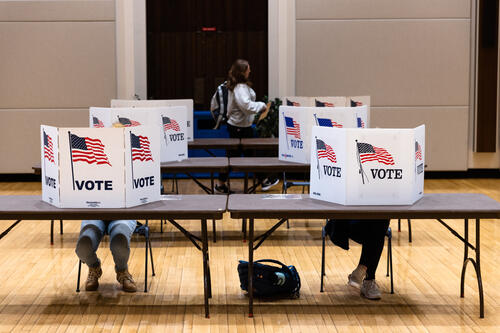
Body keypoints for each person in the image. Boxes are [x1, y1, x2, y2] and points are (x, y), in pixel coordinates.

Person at [214, 59, 279, 193]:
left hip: (241, 126)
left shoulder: (240, 86)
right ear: (243, 72)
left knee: (248, 156)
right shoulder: (240, 88)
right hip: (239, 128)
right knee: (236, 157)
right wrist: (261, 106)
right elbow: (246, 106)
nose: (250, 70)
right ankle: (221, 184)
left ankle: (263, 181)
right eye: (248, 68)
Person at [324, 219, 390, 300]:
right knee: (378, 229)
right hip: (346, 222)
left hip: (373, 224)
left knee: (379, 223)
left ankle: (361, 272)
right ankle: (367, 280)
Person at [75, 219, 137, 292]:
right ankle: (94, 268)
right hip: (94, 212)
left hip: (122, 214)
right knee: (84, 245)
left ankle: (122, 271)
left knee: (120, 239)